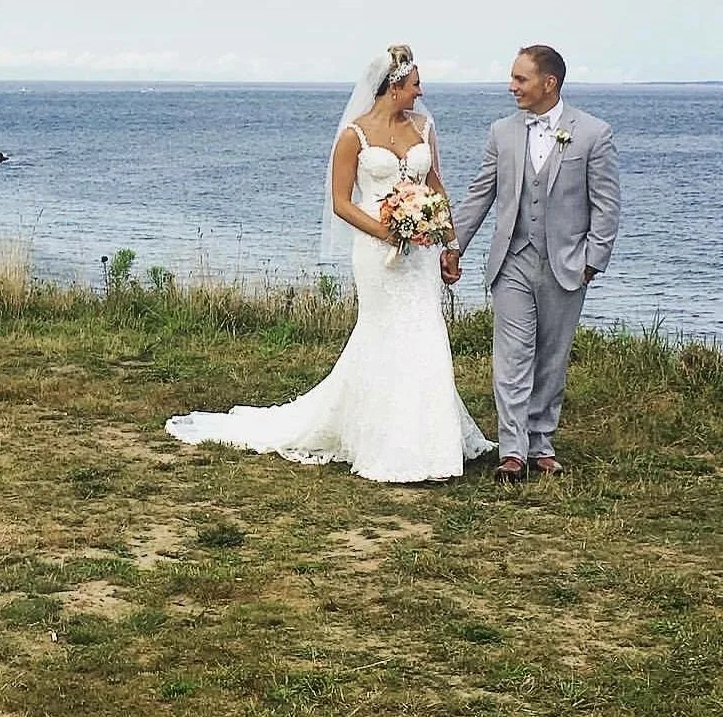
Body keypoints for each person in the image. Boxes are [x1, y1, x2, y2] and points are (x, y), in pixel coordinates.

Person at [166, 45, 495, 483]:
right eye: (415, 85)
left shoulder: (424, 126)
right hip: (378, 252)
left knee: (426, 330)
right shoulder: (353, 136)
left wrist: (450, 243)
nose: (421, 92)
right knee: (384, 334)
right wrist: (384, 230)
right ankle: (384, 440)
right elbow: (342, 202)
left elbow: (435, 184)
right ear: (394, 87)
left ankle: (431, 439)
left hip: (421, 250)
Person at [442, 45, 620, 484]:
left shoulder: (594, 134)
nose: (511, 86)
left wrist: (591, 262)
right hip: (512, 261)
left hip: (566, 265)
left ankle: (542, 443)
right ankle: (513, 451)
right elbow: (480, 193)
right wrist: (453, 245)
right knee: (512, 355)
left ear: (549, 83)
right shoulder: (502, 132)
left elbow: (607, 206)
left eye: (520, 79)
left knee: (551, 358)